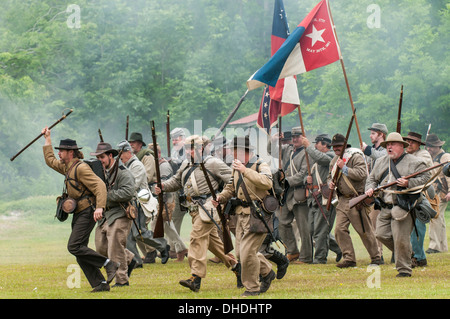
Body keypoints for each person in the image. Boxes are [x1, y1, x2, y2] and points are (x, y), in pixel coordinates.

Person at [155, 135, 236, 292]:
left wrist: (222, 196)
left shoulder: (213, 163)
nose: (188, 151)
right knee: (215, 245)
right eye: (186, 148)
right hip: (193, 209)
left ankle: (195, 278)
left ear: (201, 148)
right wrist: (163, 186)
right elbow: (177, 181)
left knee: (196, 239)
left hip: (208, 208)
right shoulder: (186, 163)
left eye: (191, 148)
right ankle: (238, 268)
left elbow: (233, 179)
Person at [42, 128, 118, 293]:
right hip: (79, 213)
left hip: (87, 212)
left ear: (70, 152)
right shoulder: (67, 167)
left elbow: (100, 186)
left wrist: (100, 207)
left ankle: (109, 264)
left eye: (61, 151)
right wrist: (48, 139)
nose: (59, 154)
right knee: (79, 251)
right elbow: (50, 160)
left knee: (74, 246)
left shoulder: (81, 168)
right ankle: (100, 284)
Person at [214, 136, 275, 296]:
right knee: (242, 253)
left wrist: (245, 170)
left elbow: (267, 182)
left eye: (235, 150)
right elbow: (231, 187)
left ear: (244, 151)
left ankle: (252, 288)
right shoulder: (237, 167)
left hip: (257, 216)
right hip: (240, 215)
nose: (233, 153)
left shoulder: (261, 164)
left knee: (248, 253)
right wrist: (221, 197)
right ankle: (267, 271)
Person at [365, 132, 431, 277]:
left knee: (401, 239)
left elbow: (426, 177)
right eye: (387, 144)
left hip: (403, 207)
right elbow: (371, 179)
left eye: (392, 144)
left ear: (401, 146)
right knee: (381, 235)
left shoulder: (414, 162)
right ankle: (408, 253)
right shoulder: (380, 162)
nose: (389, 147)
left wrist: (409, 183)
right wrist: (369, 189)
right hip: (384, 206)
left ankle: (404, 270)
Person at [328, 134, 381, 268]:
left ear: (345, 146)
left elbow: (361, 174)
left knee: (364, 230)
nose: (336, 149)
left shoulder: (355, 156)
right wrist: (330, 183)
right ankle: (349, 258)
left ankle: (376, 257)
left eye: (338, 146)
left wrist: (344, 168)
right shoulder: (334, 161)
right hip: (342, 200)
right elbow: (331, 177)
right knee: (339, 230)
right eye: (334, 147)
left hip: (356, 199)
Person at [117, 140, 170, 268]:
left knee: (139, 232)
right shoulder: (126, 165)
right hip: (131, 203)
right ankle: (135, 261)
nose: (120, 157)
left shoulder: (136, 165)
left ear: (128, 152)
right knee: (129, 235)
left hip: (139, 203)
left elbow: (132, 186)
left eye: (121, 154)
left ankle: (163, 246)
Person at [91, 142, 135, 287]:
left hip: (120, 213)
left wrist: (106, 196)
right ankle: (129, 258)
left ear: (110, 156)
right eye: (98, 158)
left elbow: (128, 192)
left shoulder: (123, 172)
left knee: (115, 247)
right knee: (101, 248)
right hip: (105, 215)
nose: (100, 160)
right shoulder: (101, 173)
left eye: (102, 157)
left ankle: (121, 280)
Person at [268, 127, 312, 264]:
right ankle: (293, 251)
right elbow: (272, 151)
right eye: (293, 137)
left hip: (299, 193)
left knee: (303, 227)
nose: (294, 139)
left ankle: (306, 257)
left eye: (298, 136)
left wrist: (285, 181)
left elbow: (303, 173)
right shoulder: (287, 150)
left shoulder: (307, 153)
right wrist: (273, 140)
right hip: (286, 194)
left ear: (303, 137)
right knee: (282, 223)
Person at [302, 134, 342, 264]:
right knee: (313, 230)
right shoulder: (316, 161)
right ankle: (339, 248)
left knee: (320, 231)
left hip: (325, 199)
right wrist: (306, 180)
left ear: (325, 144)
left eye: (317, 143)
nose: (315, 146)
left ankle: (320, 258)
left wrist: (307, 146)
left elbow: (321, 159)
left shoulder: (331, 157)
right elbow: (309, 176)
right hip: (314, 199)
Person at [148, 142, 188, 262]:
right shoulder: (157, 165)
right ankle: (179, 249)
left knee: (163, 225)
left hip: (166, 199)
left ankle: (175, 249)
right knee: (166, 226)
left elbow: (165, 184)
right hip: (160, 199)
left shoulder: (164, 166)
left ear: (158, 153)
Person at [403, 132, 433, 267]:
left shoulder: (423, 155)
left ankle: (418, 256)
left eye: (412, 142)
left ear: (419, 145)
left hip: (421, 195)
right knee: (410, 229)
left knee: (418, 227)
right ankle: (419, 256)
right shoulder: (407, 155)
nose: (409, 144)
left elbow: (420, 171)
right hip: (408, 194)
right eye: (407, 141)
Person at [361, 123, 388, 263]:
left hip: (385, 191)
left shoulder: (385, 149)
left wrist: (367, 149)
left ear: (380, 134)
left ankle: (394, 253)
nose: (371, 136)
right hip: (374, 192)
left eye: (373, 133)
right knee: (374, 224)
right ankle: (379, 254)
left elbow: (381, 158)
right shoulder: (374, 150)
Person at [425, 134, 450, 254]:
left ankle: (434, 246)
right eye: (428, 146)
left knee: (434, 217)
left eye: (431, 146)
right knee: (439, 219)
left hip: (442, 192)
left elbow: (449, 175)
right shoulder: (431, 157)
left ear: (437, 146)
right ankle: (443, 247)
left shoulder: (445, 157)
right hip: (434, 192)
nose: (428, 148)